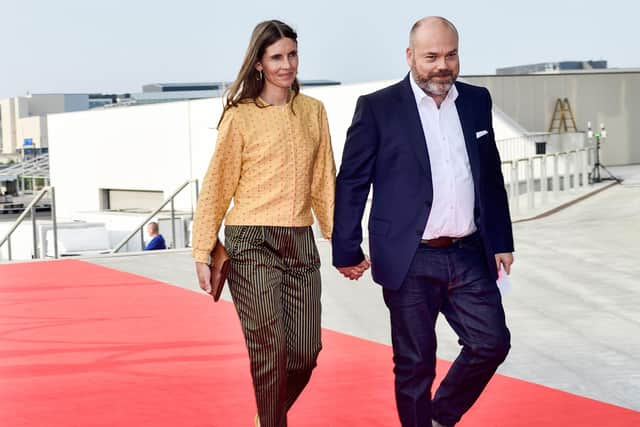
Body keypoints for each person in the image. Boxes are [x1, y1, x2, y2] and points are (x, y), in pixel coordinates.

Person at [332, 16, 513, 427]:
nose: (442, 66)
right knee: (415, 365)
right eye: (431, 56)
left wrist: (501, 239)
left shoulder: (475, 100)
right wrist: (346, 248)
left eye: (451, 55)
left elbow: (489, 173)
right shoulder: (378, 108)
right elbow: (353, 181)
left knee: (491, 343)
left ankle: (437, 418)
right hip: (409, 257)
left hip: (468, 252)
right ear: (411, 56)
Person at [191, 20, 336, 427]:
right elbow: (217, 185)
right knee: (269, 349)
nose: (287, 65)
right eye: (276, 57)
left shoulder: (314, 112)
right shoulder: (239, 117)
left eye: (292, 55)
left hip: (299, 240)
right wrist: (202, 249)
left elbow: (324, 179)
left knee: (306, 352)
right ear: (259, 64)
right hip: (250, 240)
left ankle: (266, 418)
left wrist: (339, 239)